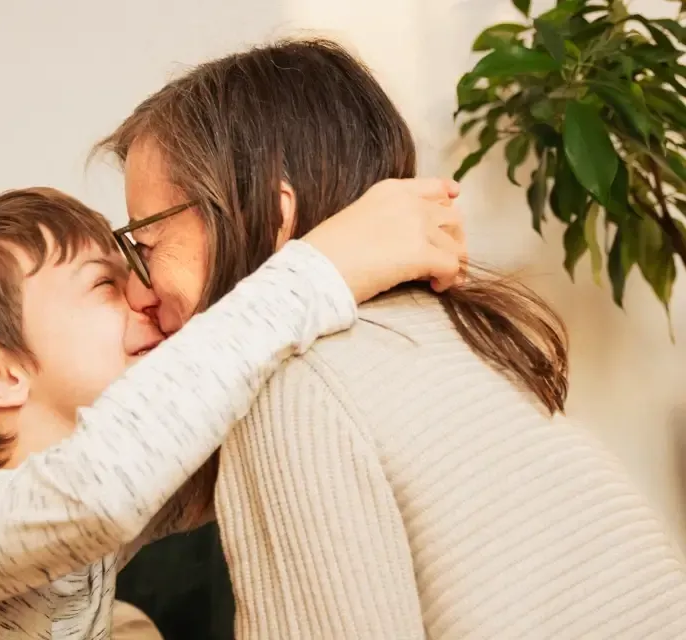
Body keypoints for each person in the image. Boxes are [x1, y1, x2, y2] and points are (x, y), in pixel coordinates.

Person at [95, 37, 686, 639]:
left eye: (145, 246)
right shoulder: (460, 333)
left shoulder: (298, 389)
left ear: (273, 216)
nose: (139, 292)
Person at [0, 182, 464, 639]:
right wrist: (318, 270)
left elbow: (203, 424)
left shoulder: (102, 502)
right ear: (1, 374)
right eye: (105, 285)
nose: (145, 299)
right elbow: (96, 491)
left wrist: (266, 244)